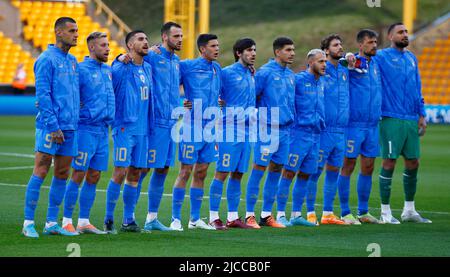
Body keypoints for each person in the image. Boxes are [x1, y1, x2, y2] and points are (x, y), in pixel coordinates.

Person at [118, 22, 183, 232]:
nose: (180, 39)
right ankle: (128, 217)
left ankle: (152, 218)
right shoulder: (153, 55)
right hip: (155, 121)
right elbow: (130, 58)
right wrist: (119, 57)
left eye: (181, 36)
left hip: (172, 122)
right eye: (176, 36)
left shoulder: (177, 61)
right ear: (164, 37)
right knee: (142, 168)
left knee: (163, 168)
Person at [22, 17, 80, 238]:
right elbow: (43, 95)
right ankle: (28, 223)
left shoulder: (73, 60)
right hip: (50, 126)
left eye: (77, 30)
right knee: (42, 169)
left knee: (63, 172)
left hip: (71, 127)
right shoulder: (46, 59)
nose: (76, 34)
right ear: (58, 32)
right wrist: (53, 125)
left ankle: (51, 223)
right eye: (71, 31)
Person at [374, 22, 431, 224]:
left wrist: (421, 114)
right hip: (390, 117)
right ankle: (385, 212)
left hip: (410, 118)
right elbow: (361, 59)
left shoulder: (411, 58)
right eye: (400, 32)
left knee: (413, 161)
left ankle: (409, 210)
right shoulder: (381, 56)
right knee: (389, 161)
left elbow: (418, 88)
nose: (405, 35)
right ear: (390, 36)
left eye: (406, 32)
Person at [61, 32, 115, 235]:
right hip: (85, 129)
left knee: (94, 175)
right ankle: (66, 220)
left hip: (103, 130)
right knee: (78, 174)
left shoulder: (108, 70)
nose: (108, 48)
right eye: (103, 45)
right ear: (92, 47)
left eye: (108, 45)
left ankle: (84, 220)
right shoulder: (81, 69)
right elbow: (69, 92)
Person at [169, 34, 222, 231]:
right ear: (202, 49)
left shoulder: (217, 69)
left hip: (210, 128)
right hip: (191, 127)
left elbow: (223, 92)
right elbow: (169, 84)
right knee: (185, 171)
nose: (217, 49)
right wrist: (180, 103)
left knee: (201, 172)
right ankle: (175, 219)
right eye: (213, 46)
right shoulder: (187, 66)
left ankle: (194, 219)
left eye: (218, 45)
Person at [103, 30, 153, 234]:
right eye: (141, 39)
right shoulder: (121, 67)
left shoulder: (148, 68)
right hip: (124, 127)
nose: (146, 42)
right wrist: (118, 58)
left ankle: (128, 219)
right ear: (130, 45)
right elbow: (112, 70)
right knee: (120, 171)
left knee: (135, 173)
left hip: (143, 129)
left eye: (146, 38)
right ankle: (108, 219)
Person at [244, 37, 296, 229]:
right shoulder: (265, 73)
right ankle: (249, 215)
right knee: (259, 168)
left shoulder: (290, 75)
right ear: (277, 52)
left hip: (285, 131)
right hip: (267, 129)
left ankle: (266, 215)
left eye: (293, 50)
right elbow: (252, 97)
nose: (292, 53)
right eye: (288, 50)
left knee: (276, 170)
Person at [207, 38, 257, 230]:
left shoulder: (252, 74)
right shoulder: (226, 73)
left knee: (237, 174)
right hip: (229, 130)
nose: (253, 53)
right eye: (249, 50)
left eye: (254, 50)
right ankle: (213, 217)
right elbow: (213, 92)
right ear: (239, 53)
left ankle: (233, 217)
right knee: (222, 173)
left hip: (247, 131)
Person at [305, 34, 354, 226]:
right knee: (314, 171)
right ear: (326, 50)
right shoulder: (319, 73)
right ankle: (309, 212)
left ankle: (327, 213)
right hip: (324, 130)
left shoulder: (344, 70)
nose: (340, 47)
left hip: (341, 130)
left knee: (334, 171)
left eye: (341, 44)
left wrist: (350, 55)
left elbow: (360, 60)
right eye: (336, 45)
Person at [275, 49, 326, 227]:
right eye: (321, 61)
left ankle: (296, 214)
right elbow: (283, 96)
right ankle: (280, 214)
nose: (324, 65)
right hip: (298, 134)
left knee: (305, 174)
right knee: (289, 172)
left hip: (315, 135)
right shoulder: (298, 80)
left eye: (325, 62)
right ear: (311, 63)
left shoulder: (321, 82)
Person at [337, 29, 382, 225]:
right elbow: (340, 63)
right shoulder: (354, 63)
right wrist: (347, 57)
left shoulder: (376, 65)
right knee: (348, 165)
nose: (374, 45)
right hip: (353, 125)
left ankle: (363, 211)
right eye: (371, 42)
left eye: (375, 42)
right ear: (361, 45)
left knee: (369, 167)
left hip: (372, 125)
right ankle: (345, 212)